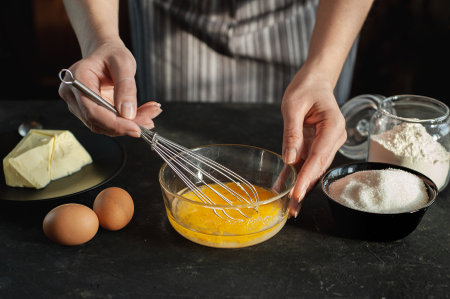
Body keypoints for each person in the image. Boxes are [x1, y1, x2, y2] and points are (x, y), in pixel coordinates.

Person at [58, 0, 374, 218]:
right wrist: (100, 40)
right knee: (173, 117)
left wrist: (322, 71)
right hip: (173, 14)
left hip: (309, 23)